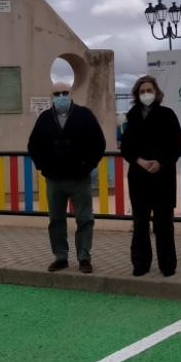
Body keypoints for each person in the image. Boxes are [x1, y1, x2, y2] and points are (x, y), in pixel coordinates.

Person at [27, 81, 106, 273]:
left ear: (70, 93)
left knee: (85, 219)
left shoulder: (84, 115)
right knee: (56, 220)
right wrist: (43, 167)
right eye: (56, 94)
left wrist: (88, 166)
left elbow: (98, 143)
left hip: (80, 179)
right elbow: (34, 146)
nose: (61, 97)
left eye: (64, 93)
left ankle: (84, 257)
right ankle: (60, 257)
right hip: (54, 180)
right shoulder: (45, 118)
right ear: (52, 96)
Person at [120, 76, 181, 277]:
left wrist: (160, 162)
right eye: (142, 91)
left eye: (149, 90)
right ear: (137, 95)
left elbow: (176, 144)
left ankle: (168, 265)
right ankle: (140, 263)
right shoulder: (132, 116)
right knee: (140, 223)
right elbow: (126, 147)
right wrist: (139, 160)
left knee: (164, 223)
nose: (146, 94)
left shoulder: (168, 115)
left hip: (163, 177)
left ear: (156, 92)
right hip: (139, 178)